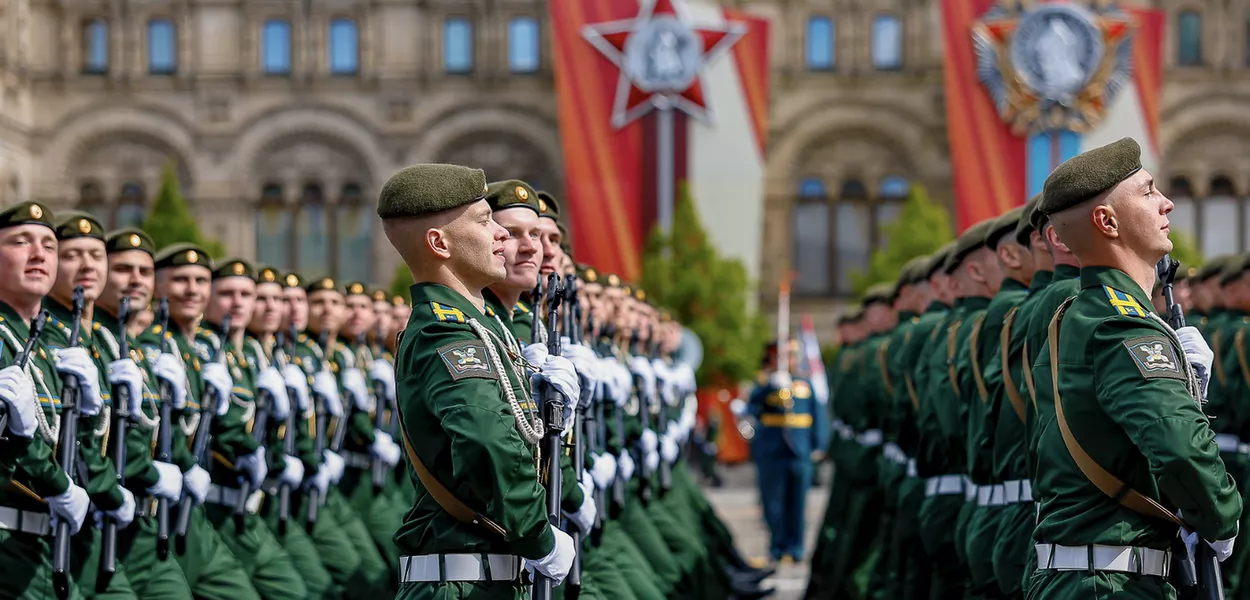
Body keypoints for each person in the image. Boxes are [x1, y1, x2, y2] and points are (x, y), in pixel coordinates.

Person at [1027, 137, 1242, 599]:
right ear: (1107, 221)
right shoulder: (1122, 325)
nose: (1166, 204)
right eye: (1147, 192)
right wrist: (1221, 518)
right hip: (1113, 582)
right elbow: (1179, 448)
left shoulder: (1078, 313)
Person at [376, 163, 578, 599]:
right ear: (439, 243)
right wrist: (538, 535)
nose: (501, 234)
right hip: (462, 582)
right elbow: (488, 439)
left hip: (486, 576)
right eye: (486, 221)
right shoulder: (444, 333)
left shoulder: (477, 327)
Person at [0, 201, 94, 600]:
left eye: (49, 246)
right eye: (21, 242)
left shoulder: (51, 344)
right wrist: (58, 484)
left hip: (49, 548)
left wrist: (92, 412)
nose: (39, 254)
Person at [746, 338, 828, 565]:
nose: (787, 360)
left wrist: (819, 444)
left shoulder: (804, 383)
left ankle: (796, 547)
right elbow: (750, 411)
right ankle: (777, 546)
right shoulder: (764, 381)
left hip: (799, 450)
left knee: (798, 503)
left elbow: (817, 415)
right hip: (772, 450)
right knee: (773, 503)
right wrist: (767, 388)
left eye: (790, 356)